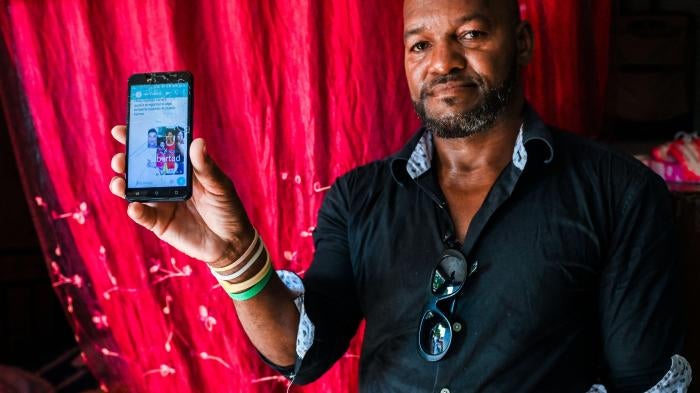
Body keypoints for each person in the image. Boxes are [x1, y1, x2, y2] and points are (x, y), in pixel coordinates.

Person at [108, 0, 691, 391]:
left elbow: (643, 381)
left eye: (470, 34)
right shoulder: (358, 197)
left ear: (523, 42)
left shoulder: (619, 192)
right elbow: (299, 353)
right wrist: (233, 256)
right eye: (420, 45)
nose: (442, 62)